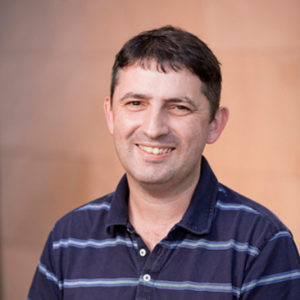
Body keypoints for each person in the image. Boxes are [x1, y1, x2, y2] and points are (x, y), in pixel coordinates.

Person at [28, 26, 300, 299]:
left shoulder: (261, 243)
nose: (154, 128)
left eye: (179, 107)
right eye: (136, 103)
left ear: (214, 125)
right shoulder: (67, 238)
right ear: (110, 114)